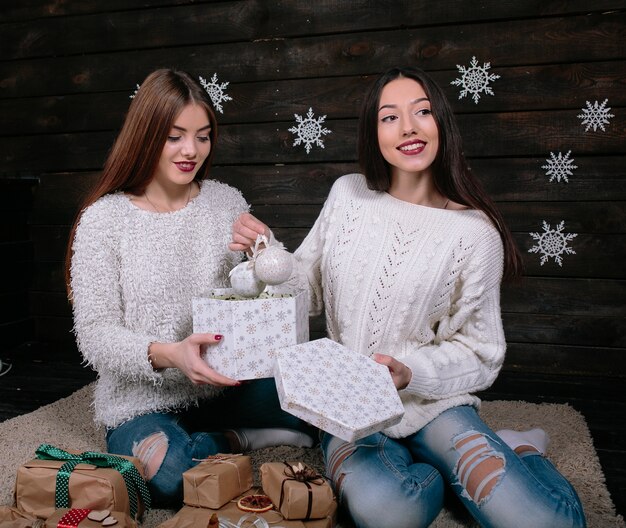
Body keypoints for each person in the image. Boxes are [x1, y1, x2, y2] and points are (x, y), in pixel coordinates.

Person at [230, 67, 586, 527]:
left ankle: (521, 452)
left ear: (441, 123)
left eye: (422, 112)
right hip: (349, 403)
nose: (409, 128)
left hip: (432, 404)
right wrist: (267, 253)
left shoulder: (475, 235)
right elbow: (308, 288)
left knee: (551, 523)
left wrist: (410, 373)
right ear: (373, 132)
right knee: (387, 512)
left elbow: (481, 352)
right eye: (389, 117)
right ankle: (455, 470)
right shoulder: (348, 195)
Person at [65, 69, 315, 508]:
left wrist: (267, 255)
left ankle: (222, 429)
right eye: (175, 136)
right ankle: (233, 440)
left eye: (202, 136)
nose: (191, 151)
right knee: (170, 479)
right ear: (145, 136)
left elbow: (287, 304)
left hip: (225, 382)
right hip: (142, 400)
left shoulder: (225, 201)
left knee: (327, 401)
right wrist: (170, 354)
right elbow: (96, 334)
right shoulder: (104, 221)